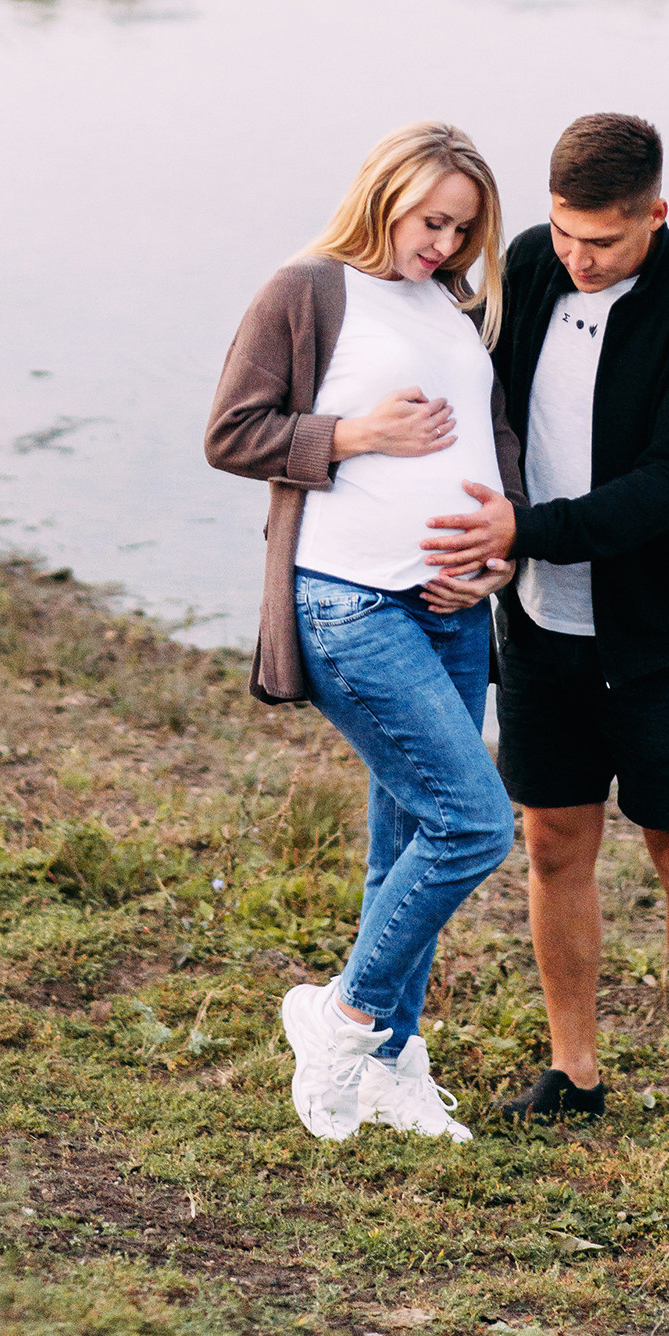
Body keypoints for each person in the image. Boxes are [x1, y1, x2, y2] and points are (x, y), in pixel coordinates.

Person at [421, 111, 669, 1147]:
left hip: (664, 636)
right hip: (537, 630)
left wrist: (523, 527)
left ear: (655, 213)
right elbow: (463, 382)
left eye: (601, 241)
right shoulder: (527, 264)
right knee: (551, 843)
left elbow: (666, 486)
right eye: (564, 235)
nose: (576, 256)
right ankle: (573, 1069)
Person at [205, 120, 522, 1146]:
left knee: (405, 842)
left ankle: (393, 1061)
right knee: (474, 824)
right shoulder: (307, 289)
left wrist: (496, 554)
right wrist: (354, 435)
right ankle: (338, 1015)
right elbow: (231, 431)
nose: (441, 243)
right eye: (430, 219)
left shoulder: (454, 307)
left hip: (452, 610)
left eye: (461, 229)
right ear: (383, 192)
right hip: (349, 600)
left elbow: (491, 445)